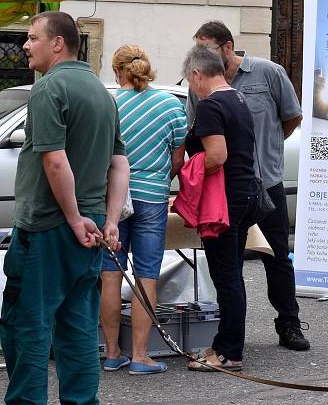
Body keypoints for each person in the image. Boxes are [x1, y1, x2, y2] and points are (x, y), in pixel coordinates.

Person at [0, 11, 128, 405]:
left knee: (28, 325)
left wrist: (72, 218)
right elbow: (118, 163)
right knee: (77, 324)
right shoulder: (100, 90)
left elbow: (54, 160)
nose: (24, 46)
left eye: (32, 38)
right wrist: (109, 221)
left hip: (50, 227)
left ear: (58, 44)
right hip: (91, 230)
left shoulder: (49, 88)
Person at [191, 21, 308, 351]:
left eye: (208, 49)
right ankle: (232, 336)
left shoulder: (268, 72)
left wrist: (268, 149)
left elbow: (291, 116)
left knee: (277, 256)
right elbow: (195, 130)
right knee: (230, 263)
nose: (201, 57)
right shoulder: (200, 83)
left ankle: (289, 324)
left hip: (267, 180)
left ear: (228, 47)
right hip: (224, 188)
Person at [100, 45, 187, 375]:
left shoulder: (109, 105)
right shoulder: (169, 105)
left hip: (113, 198)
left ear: (117, 71)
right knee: (146, 274)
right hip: (152, 196)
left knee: (109, 274)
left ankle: (111, 352)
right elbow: (178, 159)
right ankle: (140, 355)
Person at [181, 45, 258, 372]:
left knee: (225, 275)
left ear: (198, 74)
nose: (191, 87)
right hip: (245, 193)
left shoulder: (211, 105)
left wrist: (189, 171)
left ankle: (228, 353)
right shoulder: (238, 98)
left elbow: (217, 156)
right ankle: (226, 344)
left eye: (190, 80)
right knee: (232, 275)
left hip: (223, 199)